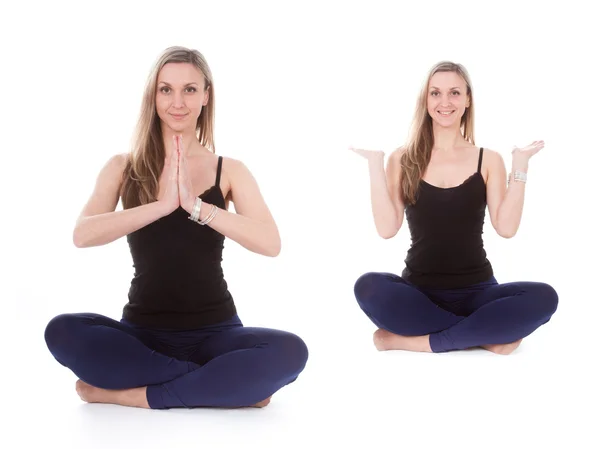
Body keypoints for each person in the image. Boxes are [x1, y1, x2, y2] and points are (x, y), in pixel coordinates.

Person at [44, 46, 308, 409]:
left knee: (291, 351)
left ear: (205, 96)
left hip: (216, 333)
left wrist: (198, 208)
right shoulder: (123, 167)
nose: (177, 101)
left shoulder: (229, 170)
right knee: (61, 330)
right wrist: (161, 206)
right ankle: (218, 382)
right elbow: (83, 234)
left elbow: (270, 243)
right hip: (142, 336)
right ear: (152, 96)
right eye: (166, 89)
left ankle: (137, 395)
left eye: (189, 89)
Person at [351, 61, 558, 355]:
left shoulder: (488, 159)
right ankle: (484, 335)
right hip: (419, 294)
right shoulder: (402, 158)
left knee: (544, 297)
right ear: (426, 100)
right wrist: (375, 165)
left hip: (478, 291)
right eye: (435, 93)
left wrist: (520, 166)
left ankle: (409, 341)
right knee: (368, 286)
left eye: (454, 93)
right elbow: (387, 229)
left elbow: (507, 228)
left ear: (467, 99)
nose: (445, 102)